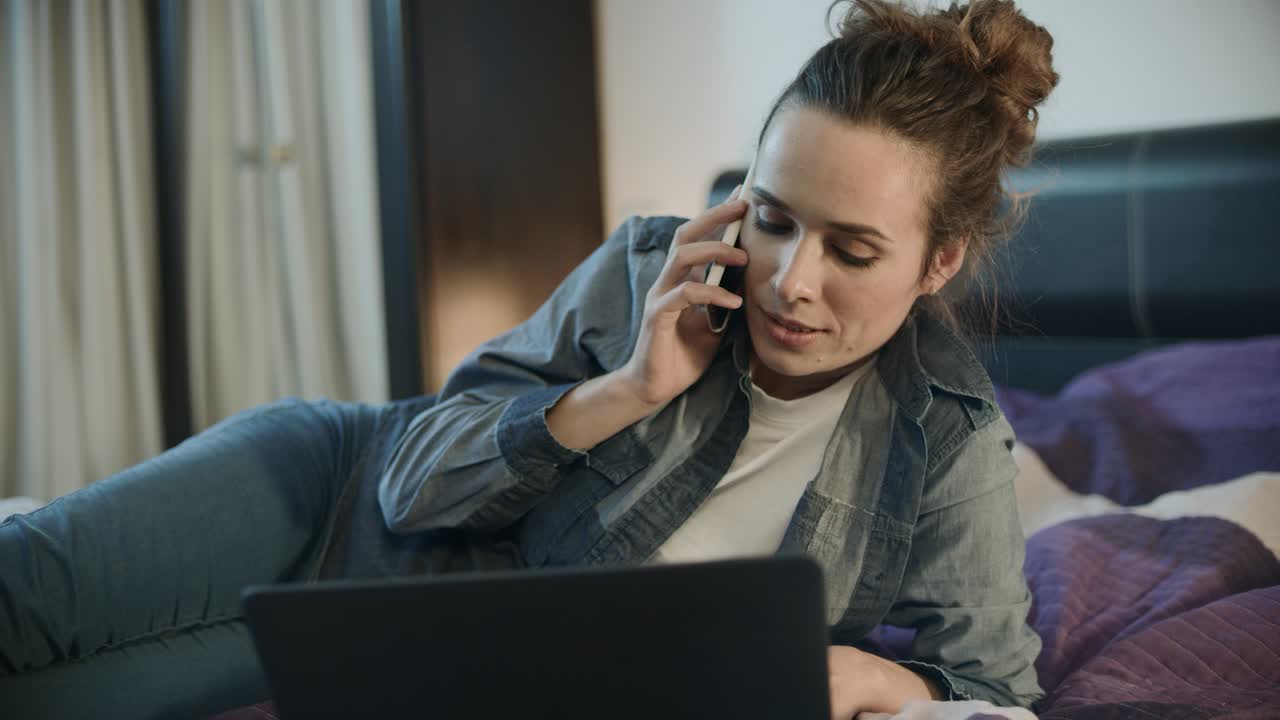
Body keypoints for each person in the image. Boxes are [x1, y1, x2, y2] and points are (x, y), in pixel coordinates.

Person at [0, 1, 1058, 718]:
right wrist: (629, 387)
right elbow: (410, 481)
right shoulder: (652, 266)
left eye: (852, 249)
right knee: (21, 596)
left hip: (400, 645)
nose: (787, 279)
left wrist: (885, 676)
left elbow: (994, 694)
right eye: (773, 219)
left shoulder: (946, 442)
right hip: (320, 491)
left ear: (937, 261)